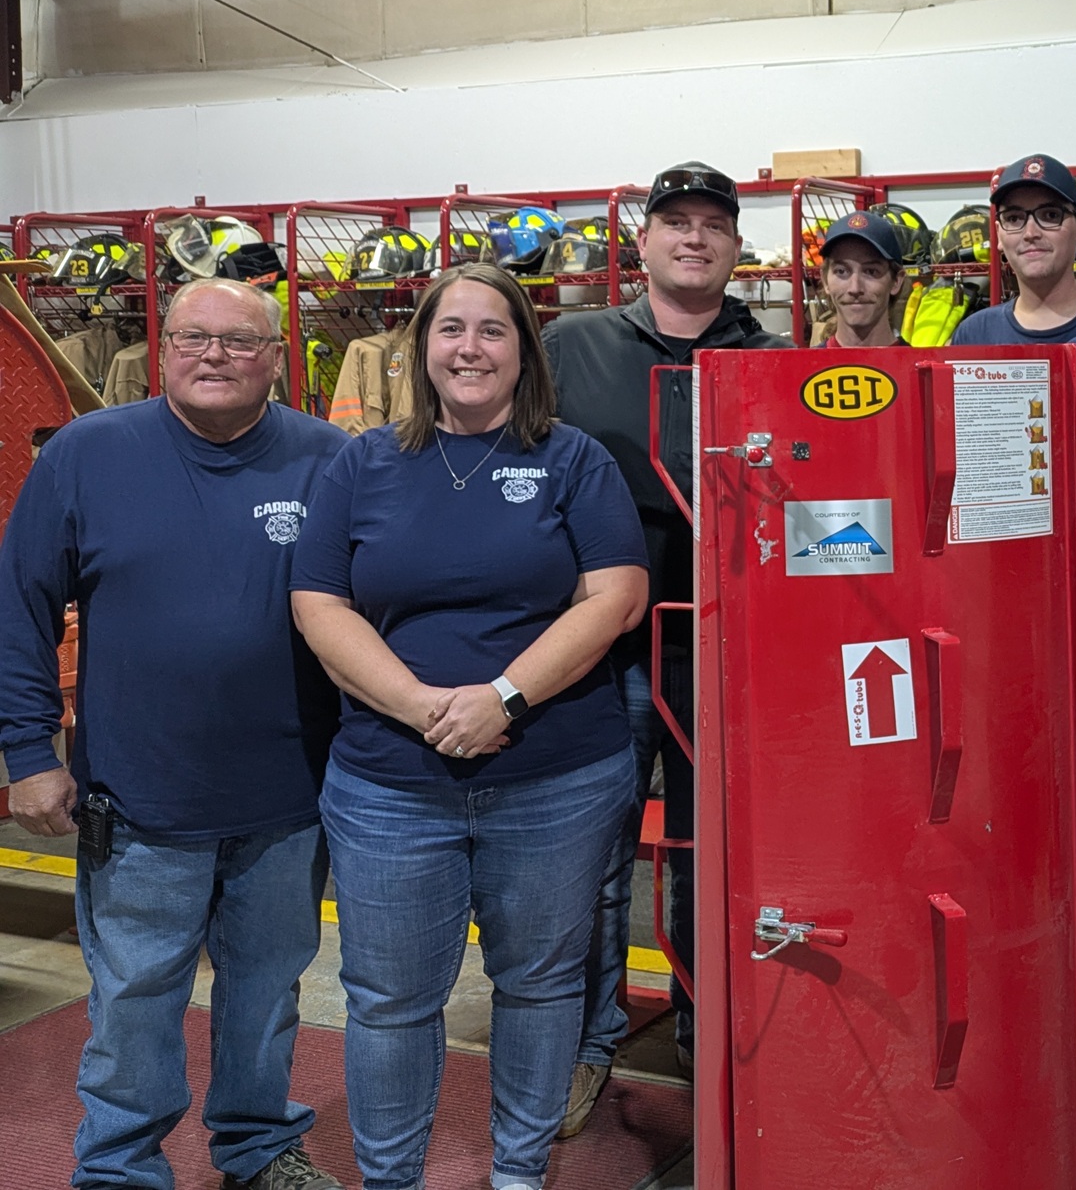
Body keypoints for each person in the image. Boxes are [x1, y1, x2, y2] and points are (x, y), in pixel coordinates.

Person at [290, 263, 649, 1190]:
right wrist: (421, 706)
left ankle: (520, 1173)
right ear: (421, 347)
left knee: (538, 984)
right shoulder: (361, 461)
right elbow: (319, 601)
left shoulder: (573, 458)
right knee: (391, 1000)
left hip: (557, 777)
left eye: (495, 330)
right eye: (452, 329)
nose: (471, 348)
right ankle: (393, 1178)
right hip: (389, 782)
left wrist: (503, 697)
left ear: (525, 350)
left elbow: (617, 594)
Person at [0, 279, 347, 1190]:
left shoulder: (330, 457)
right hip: (136, 797)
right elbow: (21, 607)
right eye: (195, 336)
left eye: (241, 340)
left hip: (289, 794)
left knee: (268, 992)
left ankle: (257, 1145)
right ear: (163, 349)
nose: (215, 355)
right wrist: (29, 753)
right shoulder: (85, 452)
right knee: (134, 1000)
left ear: (278, 357)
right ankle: (119, 1166)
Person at [541, 161, 787, 1135]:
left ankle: (705, 1039)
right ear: (640, 242)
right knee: (585, 859)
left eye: (712, 226)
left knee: (709, 858)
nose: (693, 239)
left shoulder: (771, 358)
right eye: (673, 223)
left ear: (735, 247)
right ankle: (584, 1045)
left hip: (727, 659)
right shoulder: (571, 344)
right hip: (595, 651)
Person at [952, 153, 1076, 345]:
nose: (1030, 233)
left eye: (1050, 215)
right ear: (999, 234)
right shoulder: (974, 335)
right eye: (1014, 218)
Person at [815, 210, 909, 348]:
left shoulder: (916, 367)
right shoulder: (804, 368)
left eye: (870, 271)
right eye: (841, 271)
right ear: (825, 280)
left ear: (896, 281)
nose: (855, 288)